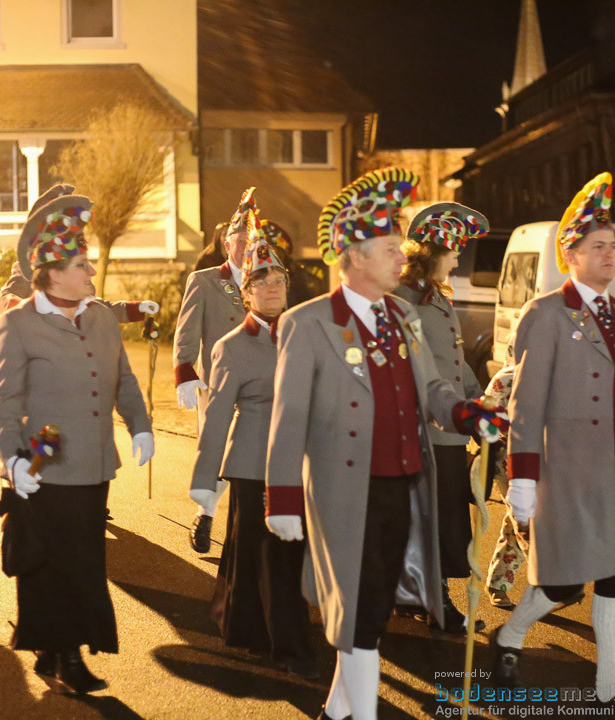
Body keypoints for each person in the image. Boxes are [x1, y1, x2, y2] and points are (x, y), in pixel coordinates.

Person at [264, 167, 507, 720]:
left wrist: (470, 414)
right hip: (343, 490)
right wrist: (280, 500)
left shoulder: (402, 313)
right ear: (354, 257)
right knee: (359, 610)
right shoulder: (307, 322)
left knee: (372, 605)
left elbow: (432, 387)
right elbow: (288, 417)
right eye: (390, 247)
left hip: (403, 486)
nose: (403, 256)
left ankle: (337, 710)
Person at [492, 172, 615, 703]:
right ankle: (511, 633)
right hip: (574, 472)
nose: (609, 254)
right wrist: (523, 478)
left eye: (613, 246)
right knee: (561, 583)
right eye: (597, 246)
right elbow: (526, 404)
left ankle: (609, 687)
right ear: (571, 255)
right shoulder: (546, 315)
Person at [0, 191, 153, 695]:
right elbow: (3, 400)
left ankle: (58, 647)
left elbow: (124, 378)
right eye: (82, 265)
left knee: (84, 558)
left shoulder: (101, 315)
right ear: (53, 273)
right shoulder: (17, 323)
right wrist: (14, 460)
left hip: (95, 459)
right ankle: (64, 655)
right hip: (43, 454)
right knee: (50, 558)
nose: (91, 273)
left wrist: (141, 424)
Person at [192, 210, 317, 679]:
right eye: (261, 283)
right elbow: (219, 415)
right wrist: (205, 481)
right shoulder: (230, 346)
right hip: (251, 465)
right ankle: (288, 648)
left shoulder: (306, 336)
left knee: (256, 553)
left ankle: (242, 624)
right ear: (245, 293)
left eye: (278, 282)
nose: (271, 289)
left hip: (298, 463)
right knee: (270, 555)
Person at [393, 201, 488, 634]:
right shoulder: (402, 298)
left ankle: (414, 597)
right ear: (434, 251)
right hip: (423, 431)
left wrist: (478, 397)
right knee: (428, 519)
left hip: (448, 429)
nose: (457, 260)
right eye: (453, 252)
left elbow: (453, 360)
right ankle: (434, 603)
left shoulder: (439, 299)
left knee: (444, 515)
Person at [174, 188, 253, 553]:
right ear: (226, 242)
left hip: (262, 384)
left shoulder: (270, 278)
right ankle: (205, 514)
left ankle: (250, 530)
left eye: (250, 241)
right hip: (219, 384)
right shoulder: (205, 281)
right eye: (239, 240)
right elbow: (186, 331)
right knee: (219, 452)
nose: (244, 247)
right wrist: (185, 373)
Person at [0, 184, 159, 322]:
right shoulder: (31, 269)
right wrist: (23, 307)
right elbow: (4, 298)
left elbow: (94, 308)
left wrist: (136, 309)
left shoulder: (79, 267)